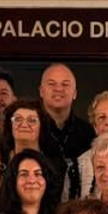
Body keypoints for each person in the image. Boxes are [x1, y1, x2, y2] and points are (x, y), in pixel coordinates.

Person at [38, 64, 95, 195]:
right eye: (52, 84)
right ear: (41, 91)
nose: (58, 89)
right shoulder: (30, 128)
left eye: (65, 84)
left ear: (75, 93)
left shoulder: (88, 132)